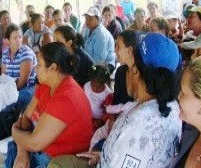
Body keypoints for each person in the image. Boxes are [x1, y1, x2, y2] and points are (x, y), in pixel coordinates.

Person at [48, 33, 182, 168]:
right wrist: (103, 155)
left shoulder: (138, 128)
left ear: (135, 70)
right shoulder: (171, 106)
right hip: (108, 157)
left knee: (56, 164)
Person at [4, 42, 93, 167]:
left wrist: (14, 132)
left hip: (56, 160)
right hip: (38, 150)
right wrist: (22, 152)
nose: (36, 69)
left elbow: (34, 143)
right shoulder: (46, 85)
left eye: (39, 64)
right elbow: (27, 116)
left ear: (53, 68)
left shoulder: (66, 98)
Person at [0, 24, 37, 117]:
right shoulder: (5, 53)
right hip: (11, 86)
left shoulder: (26, 53)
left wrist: (5, 92)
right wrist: (1, 90)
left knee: (7, 106)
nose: (19, 40)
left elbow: (23, 80)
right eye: (15, 38)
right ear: (7, 41)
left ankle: (9, 129)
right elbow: (4, 76)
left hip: (28, 87)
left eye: (20, 37)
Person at [83, 7, 115, 73]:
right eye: (86, 18)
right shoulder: (88, 30)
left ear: (98, 19)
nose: (87, 21)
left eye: (91, 19)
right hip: (91, 62)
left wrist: (86, 68)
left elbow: (99, 61)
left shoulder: (101, 35)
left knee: (85, 75)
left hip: (104, 65)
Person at [83, 65, 113, 130]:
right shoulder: (86, 86)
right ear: (90, 79)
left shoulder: (107, 94)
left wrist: (101, 121)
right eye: (93, 85)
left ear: (105, 83)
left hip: (99, 121)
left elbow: (109, 112)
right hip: (86, 117)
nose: (95, 89)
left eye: (99, 87)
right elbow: (81, 100)